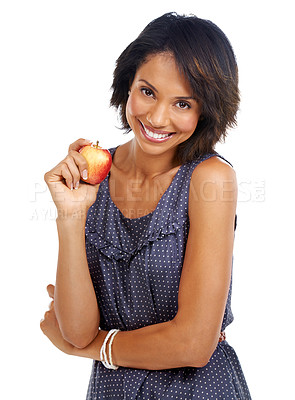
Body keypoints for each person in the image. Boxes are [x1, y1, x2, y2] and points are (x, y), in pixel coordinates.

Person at [40, 12, 252, 399]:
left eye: (183, 104)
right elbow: (76, 328)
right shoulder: (94, 173)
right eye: (148, 91)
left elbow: (193, 343)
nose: (156, 117)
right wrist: (70, 217)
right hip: (111, 389)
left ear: (207, 109)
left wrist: (90, 349)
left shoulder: (210, 179)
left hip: (199, 390)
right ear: (128, 83)